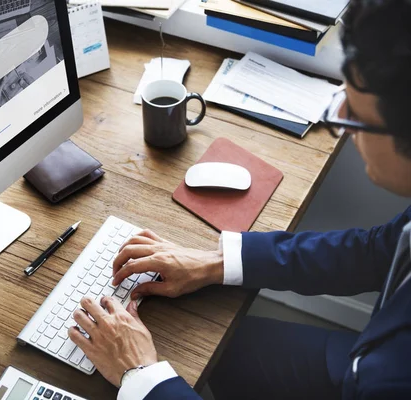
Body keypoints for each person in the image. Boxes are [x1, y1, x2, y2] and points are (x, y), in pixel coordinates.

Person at [68, 0, 411, 398]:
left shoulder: (393, 383)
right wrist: (217, 262)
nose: (346, 131)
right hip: (363, 359)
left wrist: (141, 374)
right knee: (221, 348)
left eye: (355, 117)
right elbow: (378, 251)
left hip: (370, 377)